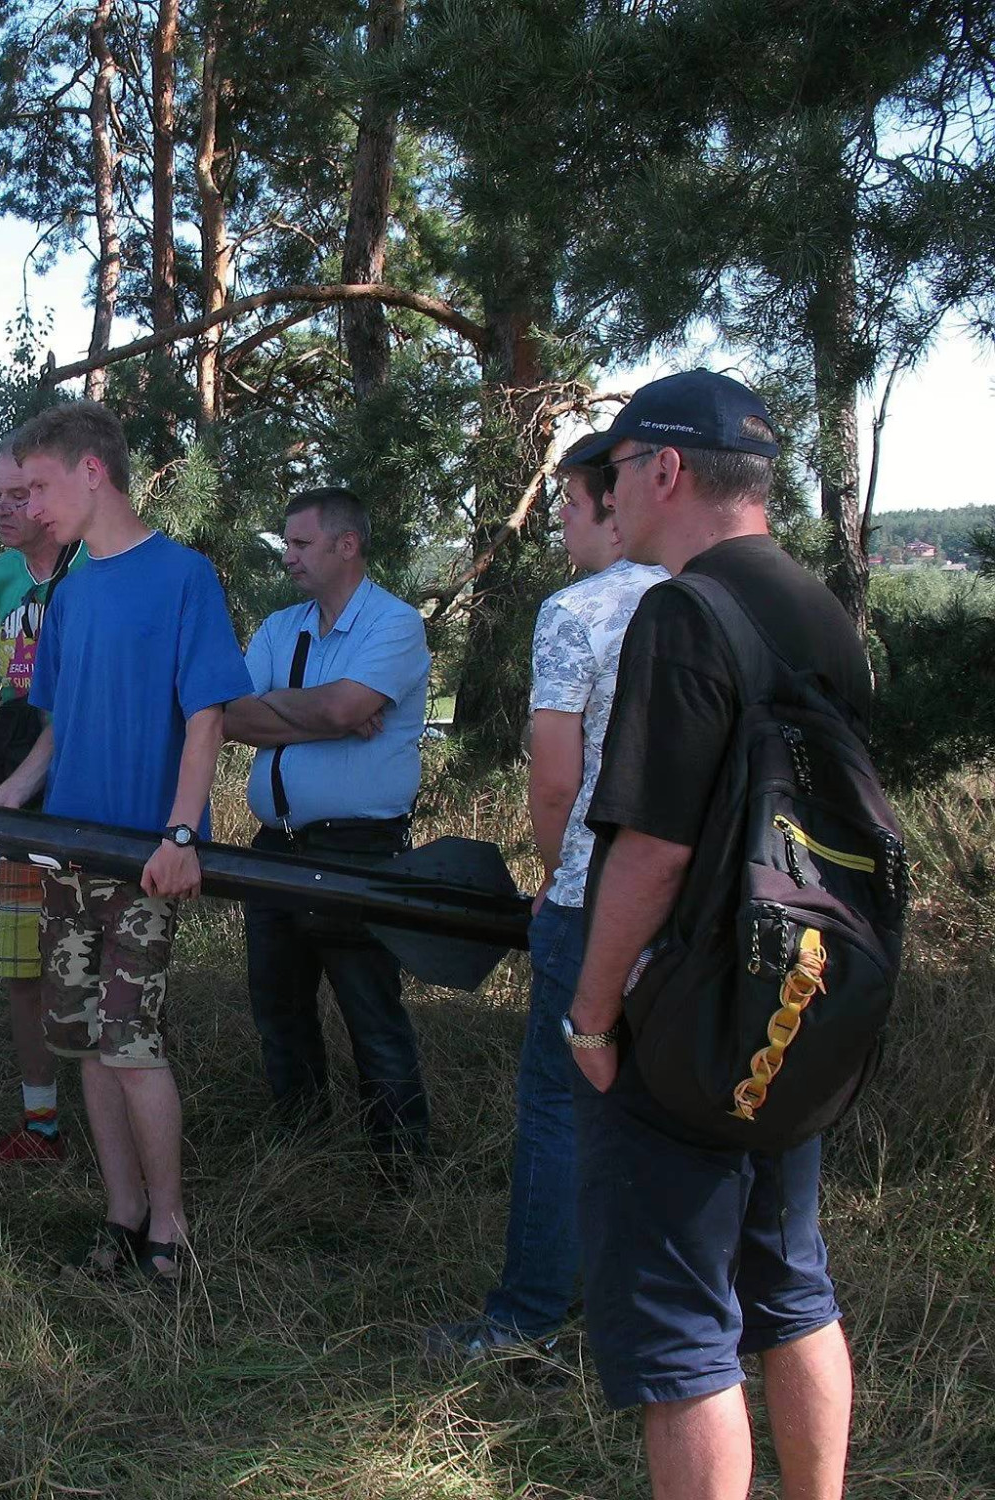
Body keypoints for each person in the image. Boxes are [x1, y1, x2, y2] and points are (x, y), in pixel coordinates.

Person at [567, 370, 862, 1498]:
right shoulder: (821, 609)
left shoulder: (680, 613)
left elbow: (651, 850)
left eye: (615, 468)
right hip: (802, 998)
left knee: (682, 1331)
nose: (607, 492)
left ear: (667, 470)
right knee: (792, 1286)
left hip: (689, 1018)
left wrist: (593, 1017)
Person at [0, 401, 252, 1281]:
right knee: (86, 1043)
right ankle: (122, 1213)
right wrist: (12, 796)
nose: (29, 505)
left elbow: (206, 718)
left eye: (38, 487)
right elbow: (57, 723)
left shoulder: (183, 576)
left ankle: (171, 1226)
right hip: (70, 856)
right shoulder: (69, 592)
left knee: (133, 1045)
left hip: (146, 858)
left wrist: (183, 832)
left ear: (92, 472)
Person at [423, 445, 667, 1362]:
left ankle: (527, 1319)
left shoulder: (577, 613)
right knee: (668, 1106)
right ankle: (655, 1312)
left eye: (569, 501)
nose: (557, 517)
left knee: (561, 1107)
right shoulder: (707, 598)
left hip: (592, 896)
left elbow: (557, 780)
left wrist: (559, 878)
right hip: (691, 899)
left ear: (615, 506)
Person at [222, 488, 433, 1165]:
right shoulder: (280, 627)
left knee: (371, 1013)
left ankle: (398, 1168)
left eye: (301, 543)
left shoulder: (394, 624)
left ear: (348, 544)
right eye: (286, 543)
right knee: (279, 1009)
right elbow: (230, 716)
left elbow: (343, 707)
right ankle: (303, 1152)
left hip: (356, 851)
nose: (288, 556)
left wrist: (297, 708)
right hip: (274, 849)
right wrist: (327, 717)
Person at [0, 443, 85, 1164]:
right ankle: (40, 1121)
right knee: (21, 963)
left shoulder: (90, 570)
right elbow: (6, 684)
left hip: (84, 790)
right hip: (17, 779)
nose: (5, 510)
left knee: (88, 961)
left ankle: (114, 1109)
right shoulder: (0, 577)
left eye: (19, 495)